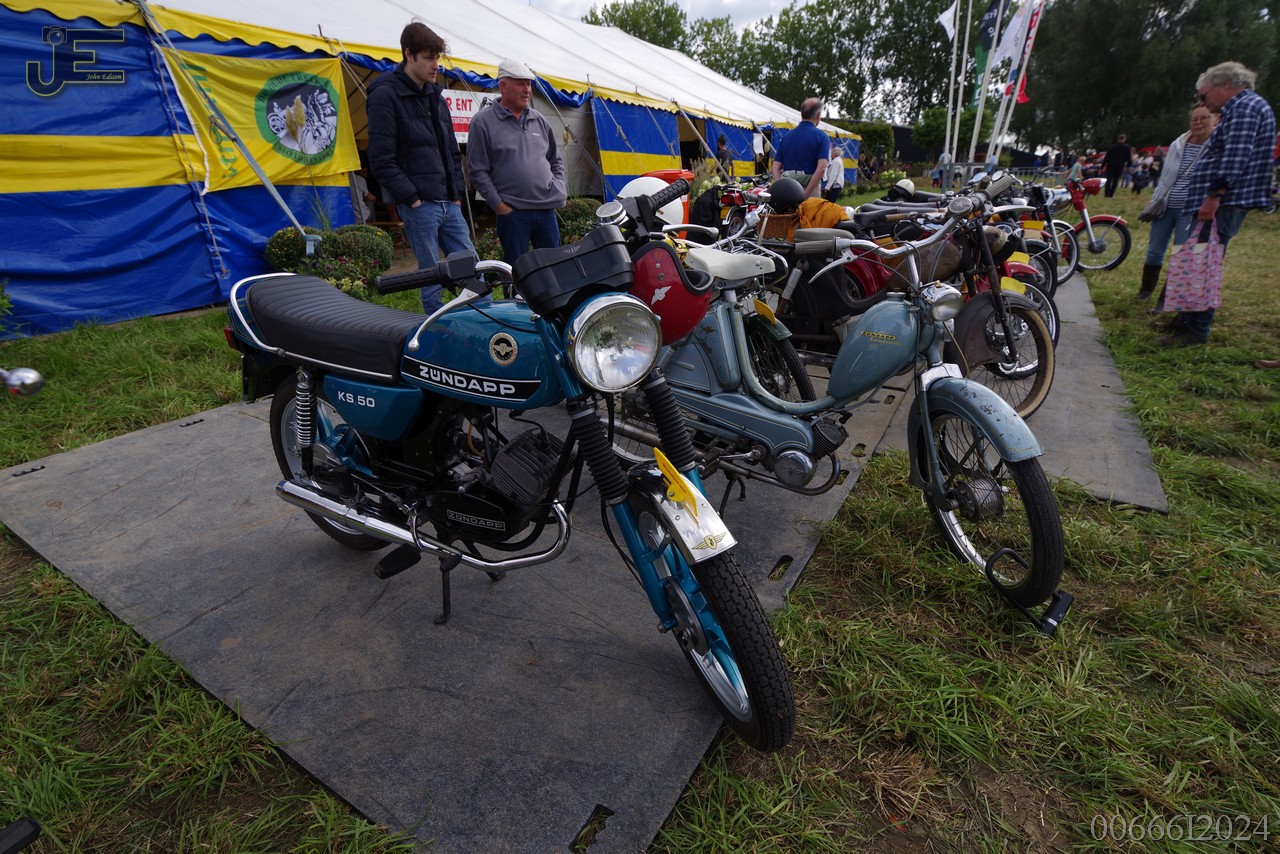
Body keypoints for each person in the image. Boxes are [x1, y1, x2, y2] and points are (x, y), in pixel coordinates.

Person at [1162, 61, 1276, 346]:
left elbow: (1234, 159)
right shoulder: (1240, 108)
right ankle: (1186, 319)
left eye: (1204, 95)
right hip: (1221, 199)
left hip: (1223, 201)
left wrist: (1214, 196)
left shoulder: (1245, 109)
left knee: (1205, 261)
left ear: (1225, 85)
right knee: (1196, 257)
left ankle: (1196, 328)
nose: (1203, 102)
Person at [366, 22, 477, 314]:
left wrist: (456, 192)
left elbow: (451, 151)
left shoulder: (435, 96)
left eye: (437, 58)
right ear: (409, 54)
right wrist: (412, 198)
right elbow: (380, 158)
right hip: (420, 205)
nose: (436, 65)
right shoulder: (384, 94)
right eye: (429, 58)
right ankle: (435, 328)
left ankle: (482, 320)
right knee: (431, 276)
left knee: (471, 268)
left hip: (448, 202)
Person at [467, 58, 567, 268]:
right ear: (503, 86)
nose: (527, 90)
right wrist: (499, 205)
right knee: (516, 271)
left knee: (554, 268)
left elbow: (555, 161)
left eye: (529, 84)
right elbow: (477, 170)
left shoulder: (539, 120)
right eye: (520, 84)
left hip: (546, 210)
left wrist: (558, 188)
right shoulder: (482, 122)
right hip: (513, 213)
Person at [1136, 105, 1217, 301]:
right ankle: (1145, 290)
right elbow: (1165, 177)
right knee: (1154, 250)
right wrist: (1155, 201)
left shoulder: (1217, 145)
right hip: (1165, 206)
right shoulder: (1178, 144)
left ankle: (1167, 298)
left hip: (1191, 209)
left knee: (1182, 252)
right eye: (1194, 119)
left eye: (1204, 118)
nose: (1198, 123)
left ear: (1214, 119)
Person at [770, 98, 829, 198]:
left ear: (801, 114)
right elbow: (821, 168)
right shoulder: (822, 137)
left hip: (788, 188)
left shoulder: (786, 136)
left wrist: (780, 188)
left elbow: (775, 167)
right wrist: (804, 194)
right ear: (818, 115)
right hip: (809, 190)